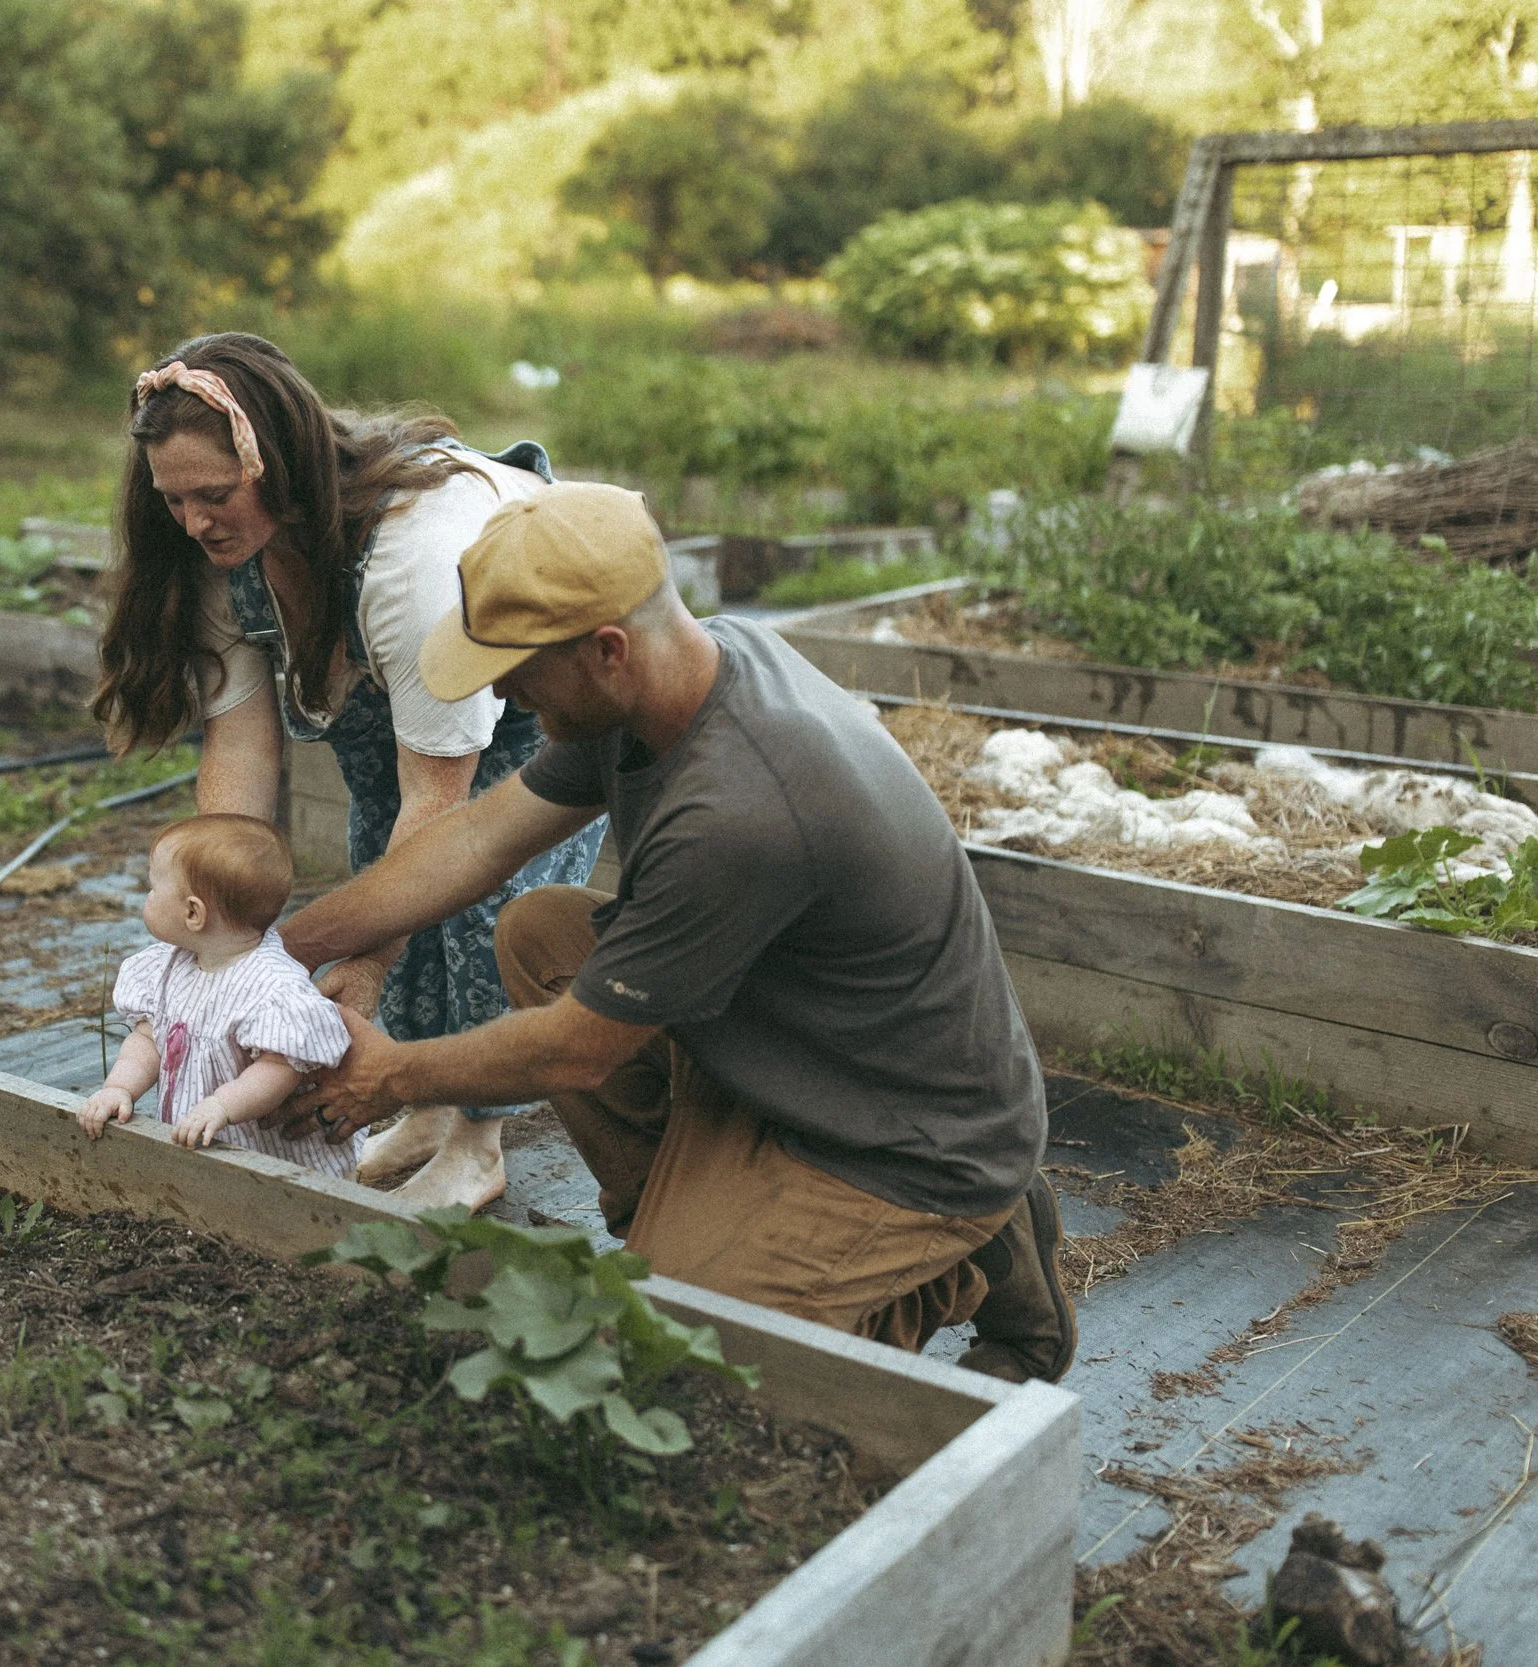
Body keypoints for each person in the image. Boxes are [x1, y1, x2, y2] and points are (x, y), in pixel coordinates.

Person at [277, 481, 1074, 1381]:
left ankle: (963, 1255)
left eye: (515, 668)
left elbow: (576, 1049)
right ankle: (702, 1218)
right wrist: (286, 948)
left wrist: (388, 1075)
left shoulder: (739, 805)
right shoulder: (671, 677)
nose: (500, 688)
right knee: (541, 936)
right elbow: (475, 840)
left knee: (683, 1365)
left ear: (607, 650)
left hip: (910, 1139)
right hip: (807, 1050)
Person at [94, 332, 605, 1213]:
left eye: (215, 495)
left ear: (279, 465)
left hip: (543, 695)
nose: (195, 522)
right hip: (402, 707)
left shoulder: (414, 558)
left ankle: (477, 1141)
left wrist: (359, 966)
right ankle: (424, 1103)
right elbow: (242, 747)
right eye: (174, 500)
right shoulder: (229, 560)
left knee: (478, 909)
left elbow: (438, 812)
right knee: (375, 852)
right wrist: (221, 916)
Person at [78, 814, 355, 1176]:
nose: (147, 896)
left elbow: (278, 1069)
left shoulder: (272, 989)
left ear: (193, 912)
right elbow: (148, 1041)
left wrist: (222, 1106)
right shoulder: (167, 968)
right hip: (198, 1144)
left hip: (270, 1165)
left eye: (153, 888)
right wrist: (119, 1087)